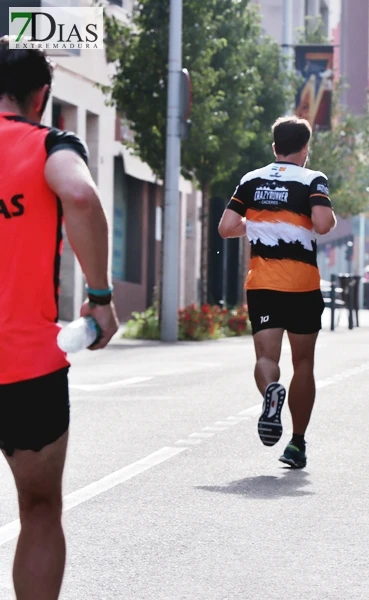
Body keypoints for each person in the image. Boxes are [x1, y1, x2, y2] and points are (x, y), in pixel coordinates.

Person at [0, 38, 119, 600]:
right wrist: (99, 296)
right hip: (25, 368)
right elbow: (80, 194)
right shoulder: (48, 144)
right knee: (40, 508)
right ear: (41, 95)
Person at [218, 116, 337, 469]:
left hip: (263, 285)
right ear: (305, 149)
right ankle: (297, 444)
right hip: (302, 285)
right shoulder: (313, 179)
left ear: (274, 148)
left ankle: (271, 391)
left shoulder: (251, 180)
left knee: (266, 359)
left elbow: (226, 227)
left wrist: (258, 221)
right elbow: (323, 223)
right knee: (303, 363)